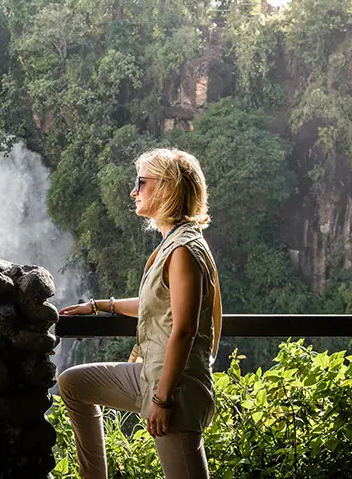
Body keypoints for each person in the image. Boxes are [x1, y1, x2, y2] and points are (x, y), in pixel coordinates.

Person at [58, 147, 223, 479]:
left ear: (166, 188)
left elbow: (184, 329)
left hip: (173, 387)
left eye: (141, 182)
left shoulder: (183, 251)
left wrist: (163, 401)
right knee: (73, 383)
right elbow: (156, 305)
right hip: (149, 373)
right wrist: (100, 306)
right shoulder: (173, 243)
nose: (134, 191)